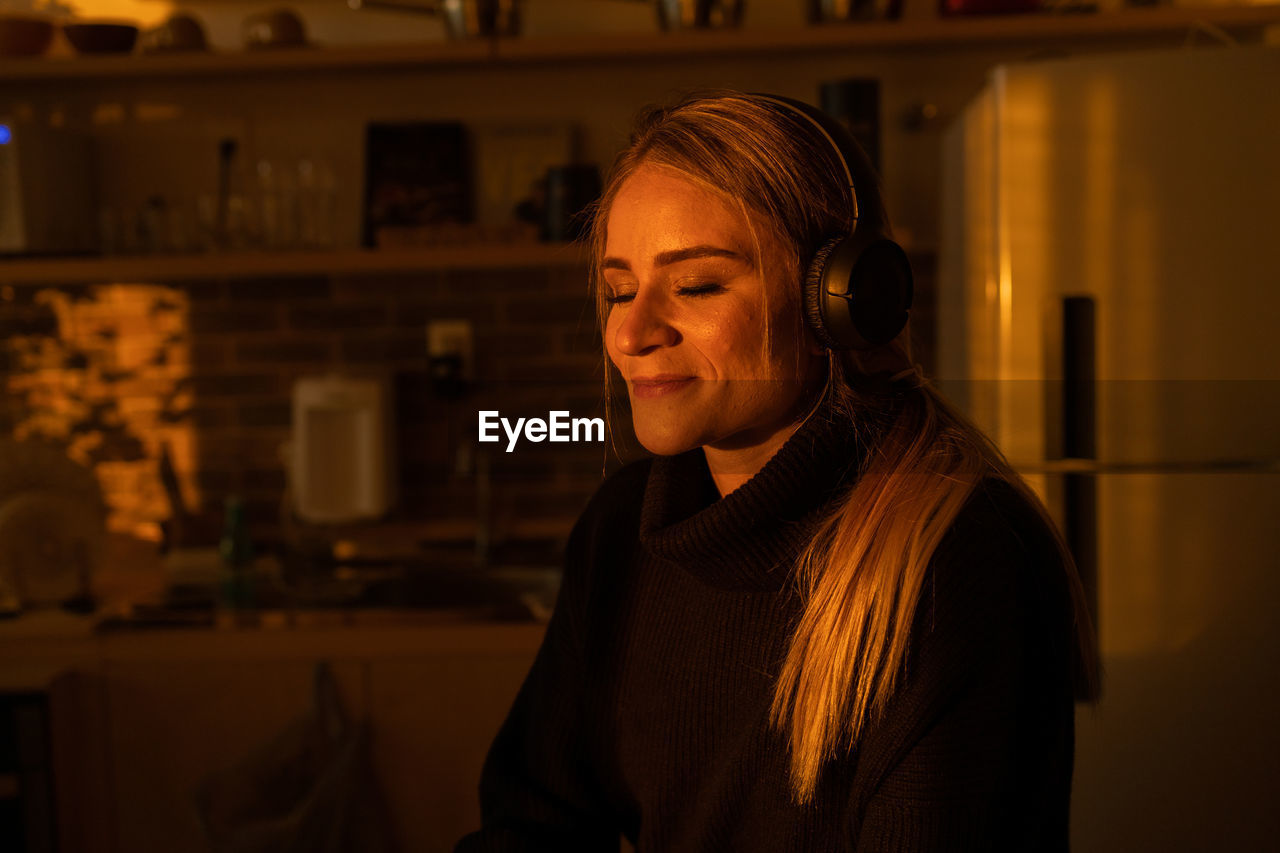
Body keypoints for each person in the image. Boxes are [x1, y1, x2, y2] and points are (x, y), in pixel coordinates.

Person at [455, 90, 1099, 852]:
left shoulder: (956, 559)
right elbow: (533, 823)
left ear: (840, 299)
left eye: (695, 285)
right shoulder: (622, 531)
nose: (629, 332)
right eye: (618, 289)